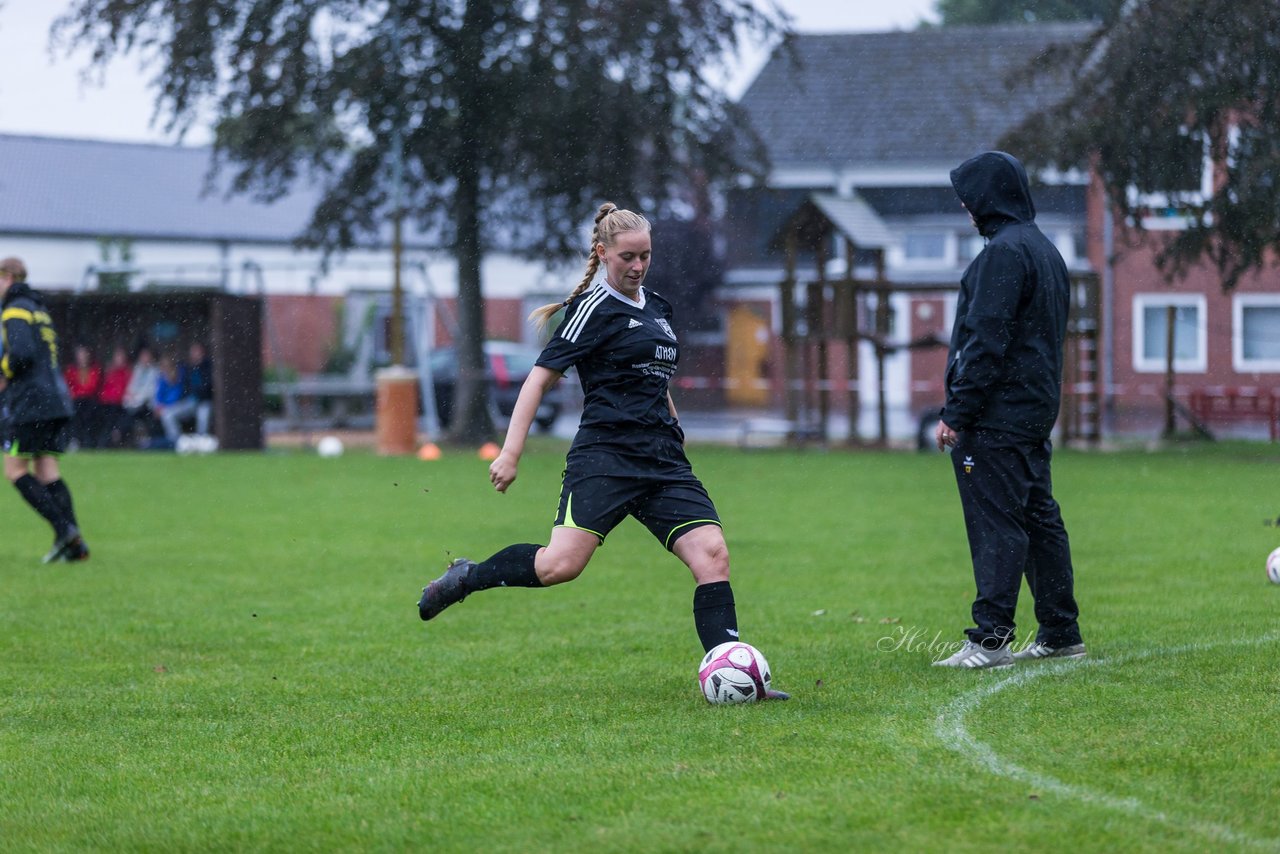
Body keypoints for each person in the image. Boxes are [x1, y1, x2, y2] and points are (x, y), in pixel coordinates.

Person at [417, 203, 788, 700]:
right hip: (605, 458)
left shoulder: (657, 307)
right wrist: (510, 453)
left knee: (712, 556)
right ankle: (468, 577)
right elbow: (537, 381)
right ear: (602, 253)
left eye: (646, 256)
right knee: (559, 567)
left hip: (662, 462)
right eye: (628, 257)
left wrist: (674, 429)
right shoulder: (591, 309)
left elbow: (656, 380)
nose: (637, 267)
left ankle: (734, 679)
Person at [931, 151, 1084, 669]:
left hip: (995, 417)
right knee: (1040, 520)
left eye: (968, 199)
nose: (965, 209)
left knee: (995, 523)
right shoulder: (1045, 250)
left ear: (985, 199)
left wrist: (957, 411)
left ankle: (990, 639)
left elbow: (985, 341)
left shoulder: (1001, 255)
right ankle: (1061, 632)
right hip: (1034, 412)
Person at [0, 257, 89, 562]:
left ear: (9, 277)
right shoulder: (39, 309)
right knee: (48, 470)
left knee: (14, 470)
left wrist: (4, 369)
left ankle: (65, 531)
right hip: (55, 398)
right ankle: (76, 545)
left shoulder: (14, 309)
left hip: (31, 403)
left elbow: (21, 354)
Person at [162, 341, 213, 440]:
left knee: (203, 417)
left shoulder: (208, 367)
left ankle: (201, 443)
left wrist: (199, 394)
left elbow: (208, 386)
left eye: (197, 352)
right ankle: (177, 442)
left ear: (203, 353)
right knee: (168, 414)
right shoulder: (187, 368)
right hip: (190, 402)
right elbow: (183, 388)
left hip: (204, 402)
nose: (195, 354)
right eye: (193, 352)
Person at [64, 343, 102, 448]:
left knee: (88, 412)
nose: (82, 357)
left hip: (89, 400)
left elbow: (92, 387)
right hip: (76, 401)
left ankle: (87, 440)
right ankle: (75, 439)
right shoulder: (71, 370)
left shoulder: (94, 369)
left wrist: (80, 393)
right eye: (80, 354)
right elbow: (68, 386)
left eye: (84, 354)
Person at [120, 345, 160, 445]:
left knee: (134, 416)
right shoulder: (137, 370)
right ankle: (125, 440)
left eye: (146, 356)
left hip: (148, 405)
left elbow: (151, 391)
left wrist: (137, 397)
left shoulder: (155, 371)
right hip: (135, 404)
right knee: (125, 416)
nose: (144, 358)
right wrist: (131, 397)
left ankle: (150, 442)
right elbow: (131, 387)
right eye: (143, 356)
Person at [96, 345, 132, 448]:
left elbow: (125, 390)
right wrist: (106, 399)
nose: (118, 358)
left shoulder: (127, 372)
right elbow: (104, 390)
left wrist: (115, 398)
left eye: (121, 356)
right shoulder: (110, 372)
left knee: (114, 418)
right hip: (108, 404)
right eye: (117, 356)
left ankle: (106, 442)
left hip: (119, 405)